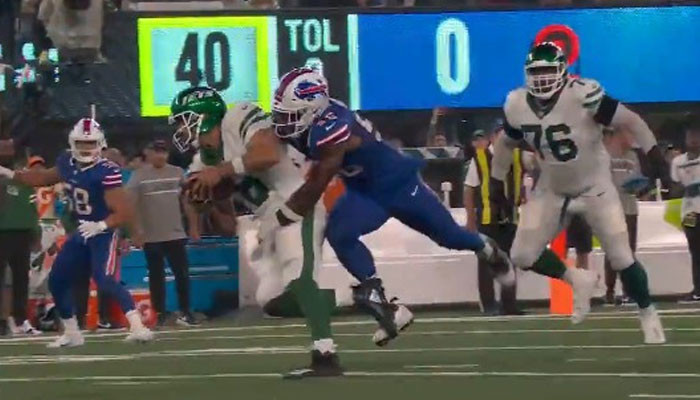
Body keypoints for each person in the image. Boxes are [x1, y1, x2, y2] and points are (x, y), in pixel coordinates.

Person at [258, 67, 513, 347]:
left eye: (291, 115)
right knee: (340, 233)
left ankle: (487, 249)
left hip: (398, 184)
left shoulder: (333, 124)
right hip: (364, 191)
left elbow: (317, 183)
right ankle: (387, 307)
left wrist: (281, 218)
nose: (284, 122)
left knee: (450, 236)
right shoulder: (310, 124)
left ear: (314, 109)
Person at [491, 42, 668, 343]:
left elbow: (630, 120)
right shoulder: (516, 103)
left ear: (563, 71)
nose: (542, 79)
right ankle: (577, 279)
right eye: (536, 72)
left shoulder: (583, 95)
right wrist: (497, 182)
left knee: (621, 257)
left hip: (594, 186)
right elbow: (506, 143)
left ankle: (647, 311)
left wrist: (652, 150)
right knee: (521, 254)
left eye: (548, 71)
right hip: (552, 188)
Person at [171, 88, 341, 378]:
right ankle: (334, 301)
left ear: (204, 115)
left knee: (299, 278)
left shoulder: (236, 118)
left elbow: (268, 153)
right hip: (268, 220)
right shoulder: (202, 162)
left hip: (296, 202)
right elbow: (225, 223)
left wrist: (223, 171)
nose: (179, 128)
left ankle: (325, 355)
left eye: (183, 119)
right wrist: (203, 204)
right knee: (270, 299)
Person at [0, 117, 154, 347]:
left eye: (90, 143)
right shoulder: (67, 162)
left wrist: (101, 226)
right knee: (57, 280)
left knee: (105, 279)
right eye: (81, 142)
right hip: (81, 231)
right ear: (73, 142)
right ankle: (72, 332)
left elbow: (123, 211)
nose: (85, 148)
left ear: (100, 144)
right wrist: (7, 172)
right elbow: (40, 178)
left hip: (103, 232)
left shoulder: (106, 170)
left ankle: (138, 326)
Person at [127, 139, 199, 327]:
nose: (160, 156)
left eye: (164, 152)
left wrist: (193, 226)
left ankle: (186, 311)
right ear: (148, 153)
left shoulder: (177, 173)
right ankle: (159, 313)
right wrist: (136, 231)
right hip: (151, 235)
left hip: (176, 233)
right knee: (156, 277)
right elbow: (131, 205)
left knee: (182, 274)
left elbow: (187, 202)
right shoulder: (138, 176)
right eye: (157, 151)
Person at [464, 127, 523, 315]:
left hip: (510, 217)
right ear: (493, 137)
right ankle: (488, 304)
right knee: (486, 262)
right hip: (487, 218)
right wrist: (470, 219)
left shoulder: (516, 156)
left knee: (510, 260)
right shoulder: (479, 159)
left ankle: (509, 304)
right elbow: (469, 189)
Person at [0, 152, 42, 336]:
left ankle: (21, 319)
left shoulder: (27, 186)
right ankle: (3, 321)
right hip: (3, 233)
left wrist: (36, 235)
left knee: (21, 279)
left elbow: (33, 211)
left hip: (23, 234)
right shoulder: (3, 183)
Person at [605, 127, 646, 305]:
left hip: (629, 207)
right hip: (610, 208)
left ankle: (628, 291)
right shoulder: (605, 154)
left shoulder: (633, 156)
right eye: (628, 135)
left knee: (629, 251)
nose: (630, 139)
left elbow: (638, 179)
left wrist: (638, 187)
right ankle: (609, 291)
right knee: (611, 250)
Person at [670, 117, 700, 303]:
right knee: (695, 252)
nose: (694, 139)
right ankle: (697, 289)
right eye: (690, 135)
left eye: (697, 135)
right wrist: (686, 189)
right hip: (689, 212)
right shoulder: (678, 162)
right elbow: (674, 188)